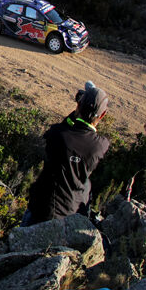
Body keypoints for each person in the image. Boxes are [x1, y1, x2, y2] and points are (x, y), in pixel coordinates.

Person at [25, 81, 111, 224]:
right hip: (74, 212)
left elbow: (60, 130)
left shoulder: (59, 135)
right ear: (102, 115)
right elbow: (82, 135)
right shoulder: (101, 145)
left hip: (43, 210)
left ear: (78, 105)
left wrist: (76, 113)